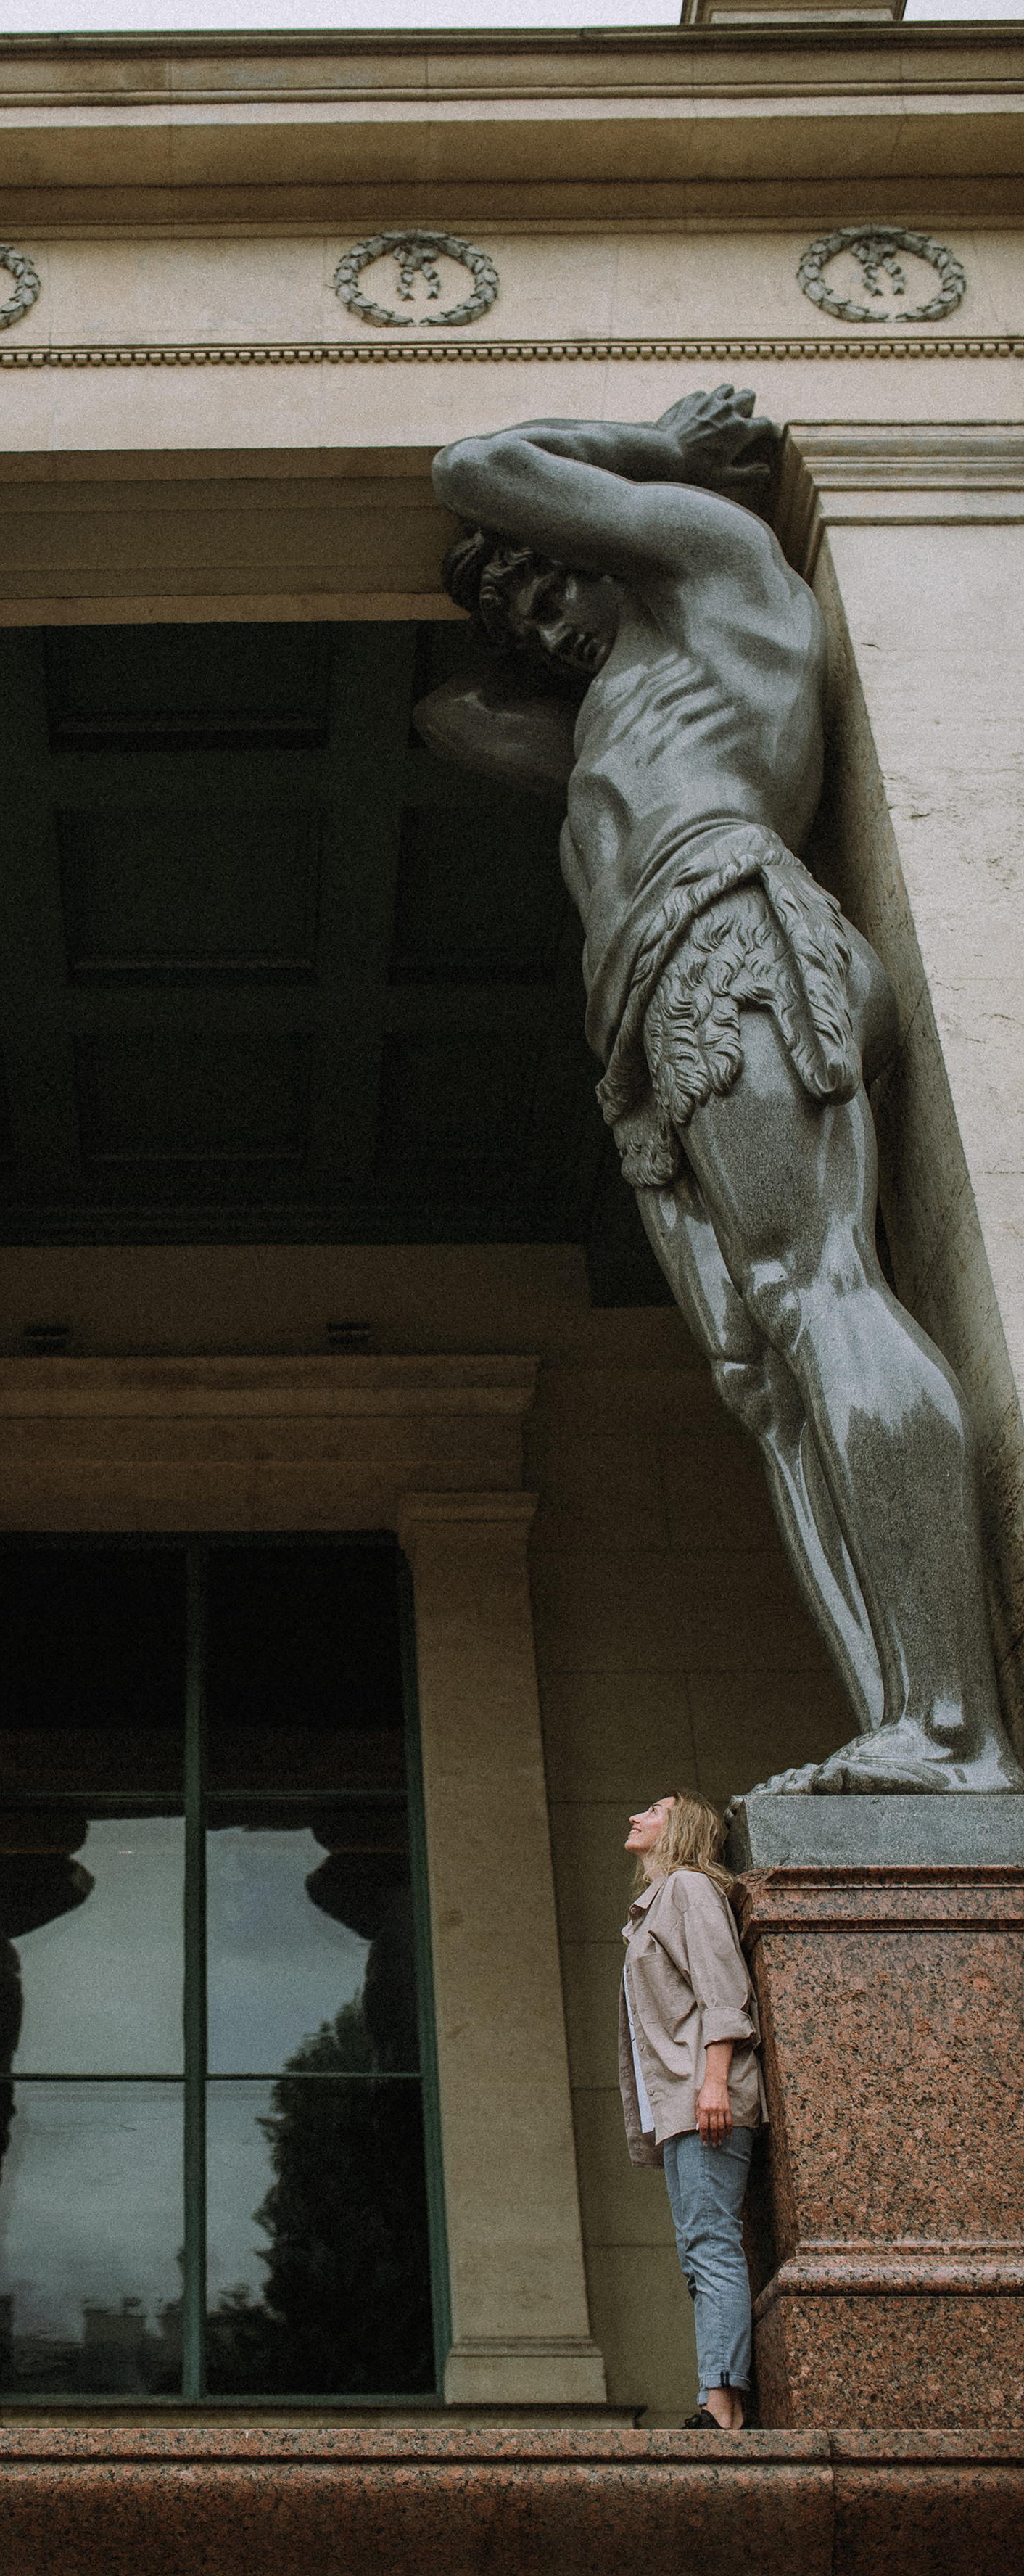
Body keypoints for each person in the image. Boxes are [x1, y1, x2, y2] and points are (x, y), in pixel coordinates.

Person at [424, 388, 1020, 1798]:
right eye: (506, 600)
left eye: (540, 569)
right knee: (763, 1373)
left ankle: (957, 1725)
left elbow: (477, 461)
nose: (534, 616)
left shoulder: (714, 569)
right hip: (651, 997)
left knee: (823, 1288)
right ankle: (901, 1710)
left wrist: (657, 462)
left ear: (609, 535)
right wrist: (556, 612)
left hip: (730, 931)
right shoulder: (620, 703)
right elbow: (456, 710)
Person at [620, 1790, 765, 2430]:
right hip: (683, 2103)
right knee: (699, 2249)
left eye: (653, 1809)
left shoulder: (687, 1888)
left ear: (681, 1828)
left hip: (707, 2097)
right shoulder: (654, 1905)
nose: (636, 1816)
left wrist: (714, 2085)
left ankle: (724, 2404)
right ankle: (719, 2392)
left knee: (711, 2246)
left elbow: (724, 1991)